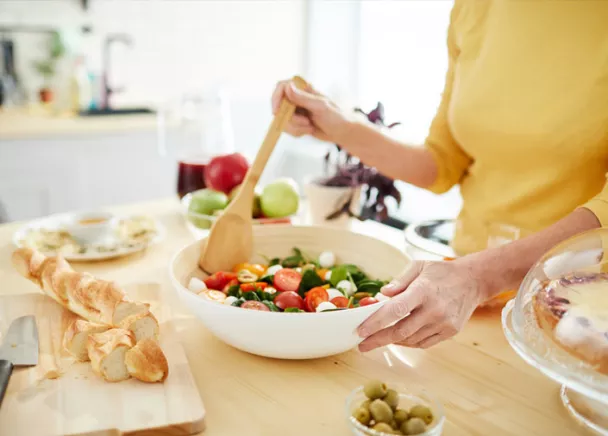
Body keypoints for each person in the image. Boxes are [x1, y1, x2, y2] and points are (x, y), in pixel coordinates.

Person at [271, 0, 608, 352]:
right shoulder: (474, 8)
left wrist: (480, 276)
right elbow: (442, 162)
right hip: (470, 304)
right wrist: (339, 126)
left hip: (583, 314)